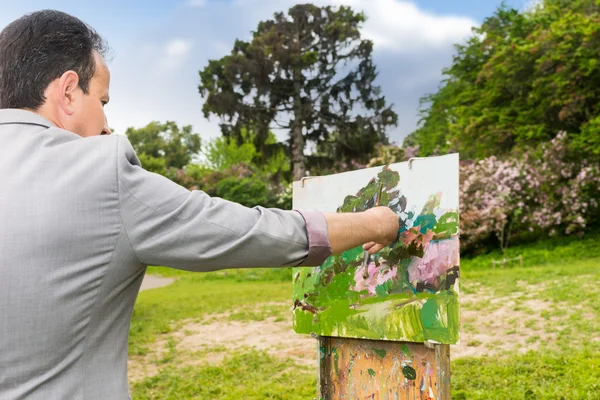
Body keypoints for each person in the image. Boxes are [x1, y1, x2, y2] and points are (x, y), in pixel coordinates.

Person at [0, 10, 400, 400]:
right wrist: (374, 222)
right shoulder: (99, 170)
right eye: (103, 100)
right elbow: (248, 232)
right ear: (69, 91)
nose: (107, 122)